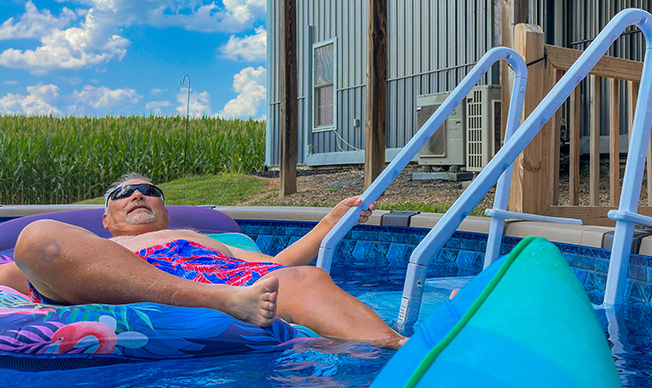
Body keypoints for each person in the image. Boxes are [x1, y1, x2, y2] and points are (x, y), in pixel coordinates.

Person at [0, 173, 406, 349]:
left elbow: (277, 267)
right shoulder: (91, 247)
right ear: (106, 219)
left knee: (306, 276)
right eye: (123, 194)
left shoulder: (198, 238)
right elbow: (29, 266)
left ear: (165, 209)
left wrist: (331, 221)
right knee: (38, 238)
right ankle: (218, 300)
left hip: (222, 279)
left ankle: (401, 349)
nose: (137, 195)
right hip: (129, 284)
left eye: (148, 189)